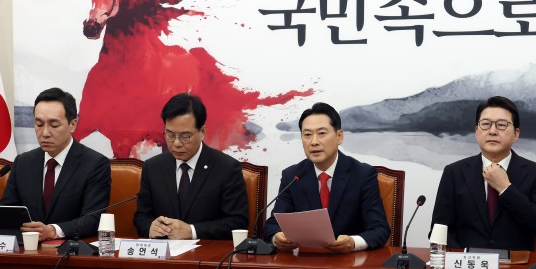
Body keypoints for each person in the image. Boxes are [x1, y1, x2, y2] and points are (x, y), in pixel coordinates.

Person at [430, 96, 536, 250]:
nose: (492, 131)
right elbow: (439, 229)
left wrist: (505, 188)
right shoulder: (454, 173)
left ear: (516, 134)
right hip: (467, 262)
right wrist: (462, 257)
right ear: (476, 132)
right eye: (485, 124)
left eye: (501, 125)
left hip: (517, 263)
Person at [263, 102, 390, 253]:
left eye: (322, 133)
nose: (314, 142)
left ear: (339, 136)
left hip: (350, 261)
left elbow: (380, 229)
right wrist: (277, 238)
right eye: (307, 135)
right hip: (306, 260)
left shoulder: (362, 174)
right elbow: (272, 225)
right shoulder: (292, 176)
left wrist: (353, 243)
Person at [0, 87, 111, 241]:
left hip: (70, 250)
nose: (45, 133)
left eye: (54, 125)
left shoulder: (95, 164)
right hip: (27, 248)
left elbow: (93, 219)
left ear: (73, 125)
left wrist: (53, 230)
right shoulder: (23, 162)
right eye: (39, 124)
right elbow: (6, 212)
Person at [133, 93, 248, 239]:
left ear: (202, 132)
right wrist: (151, 227)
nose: (176, 143)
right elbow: (141, 217)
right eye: (170, 134)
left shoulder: (227, 168)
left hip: (207, 251)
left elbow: (237, 223)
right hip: (164, 251)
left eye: (185, 136)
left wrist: (192, 231)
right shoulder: (153, 167)